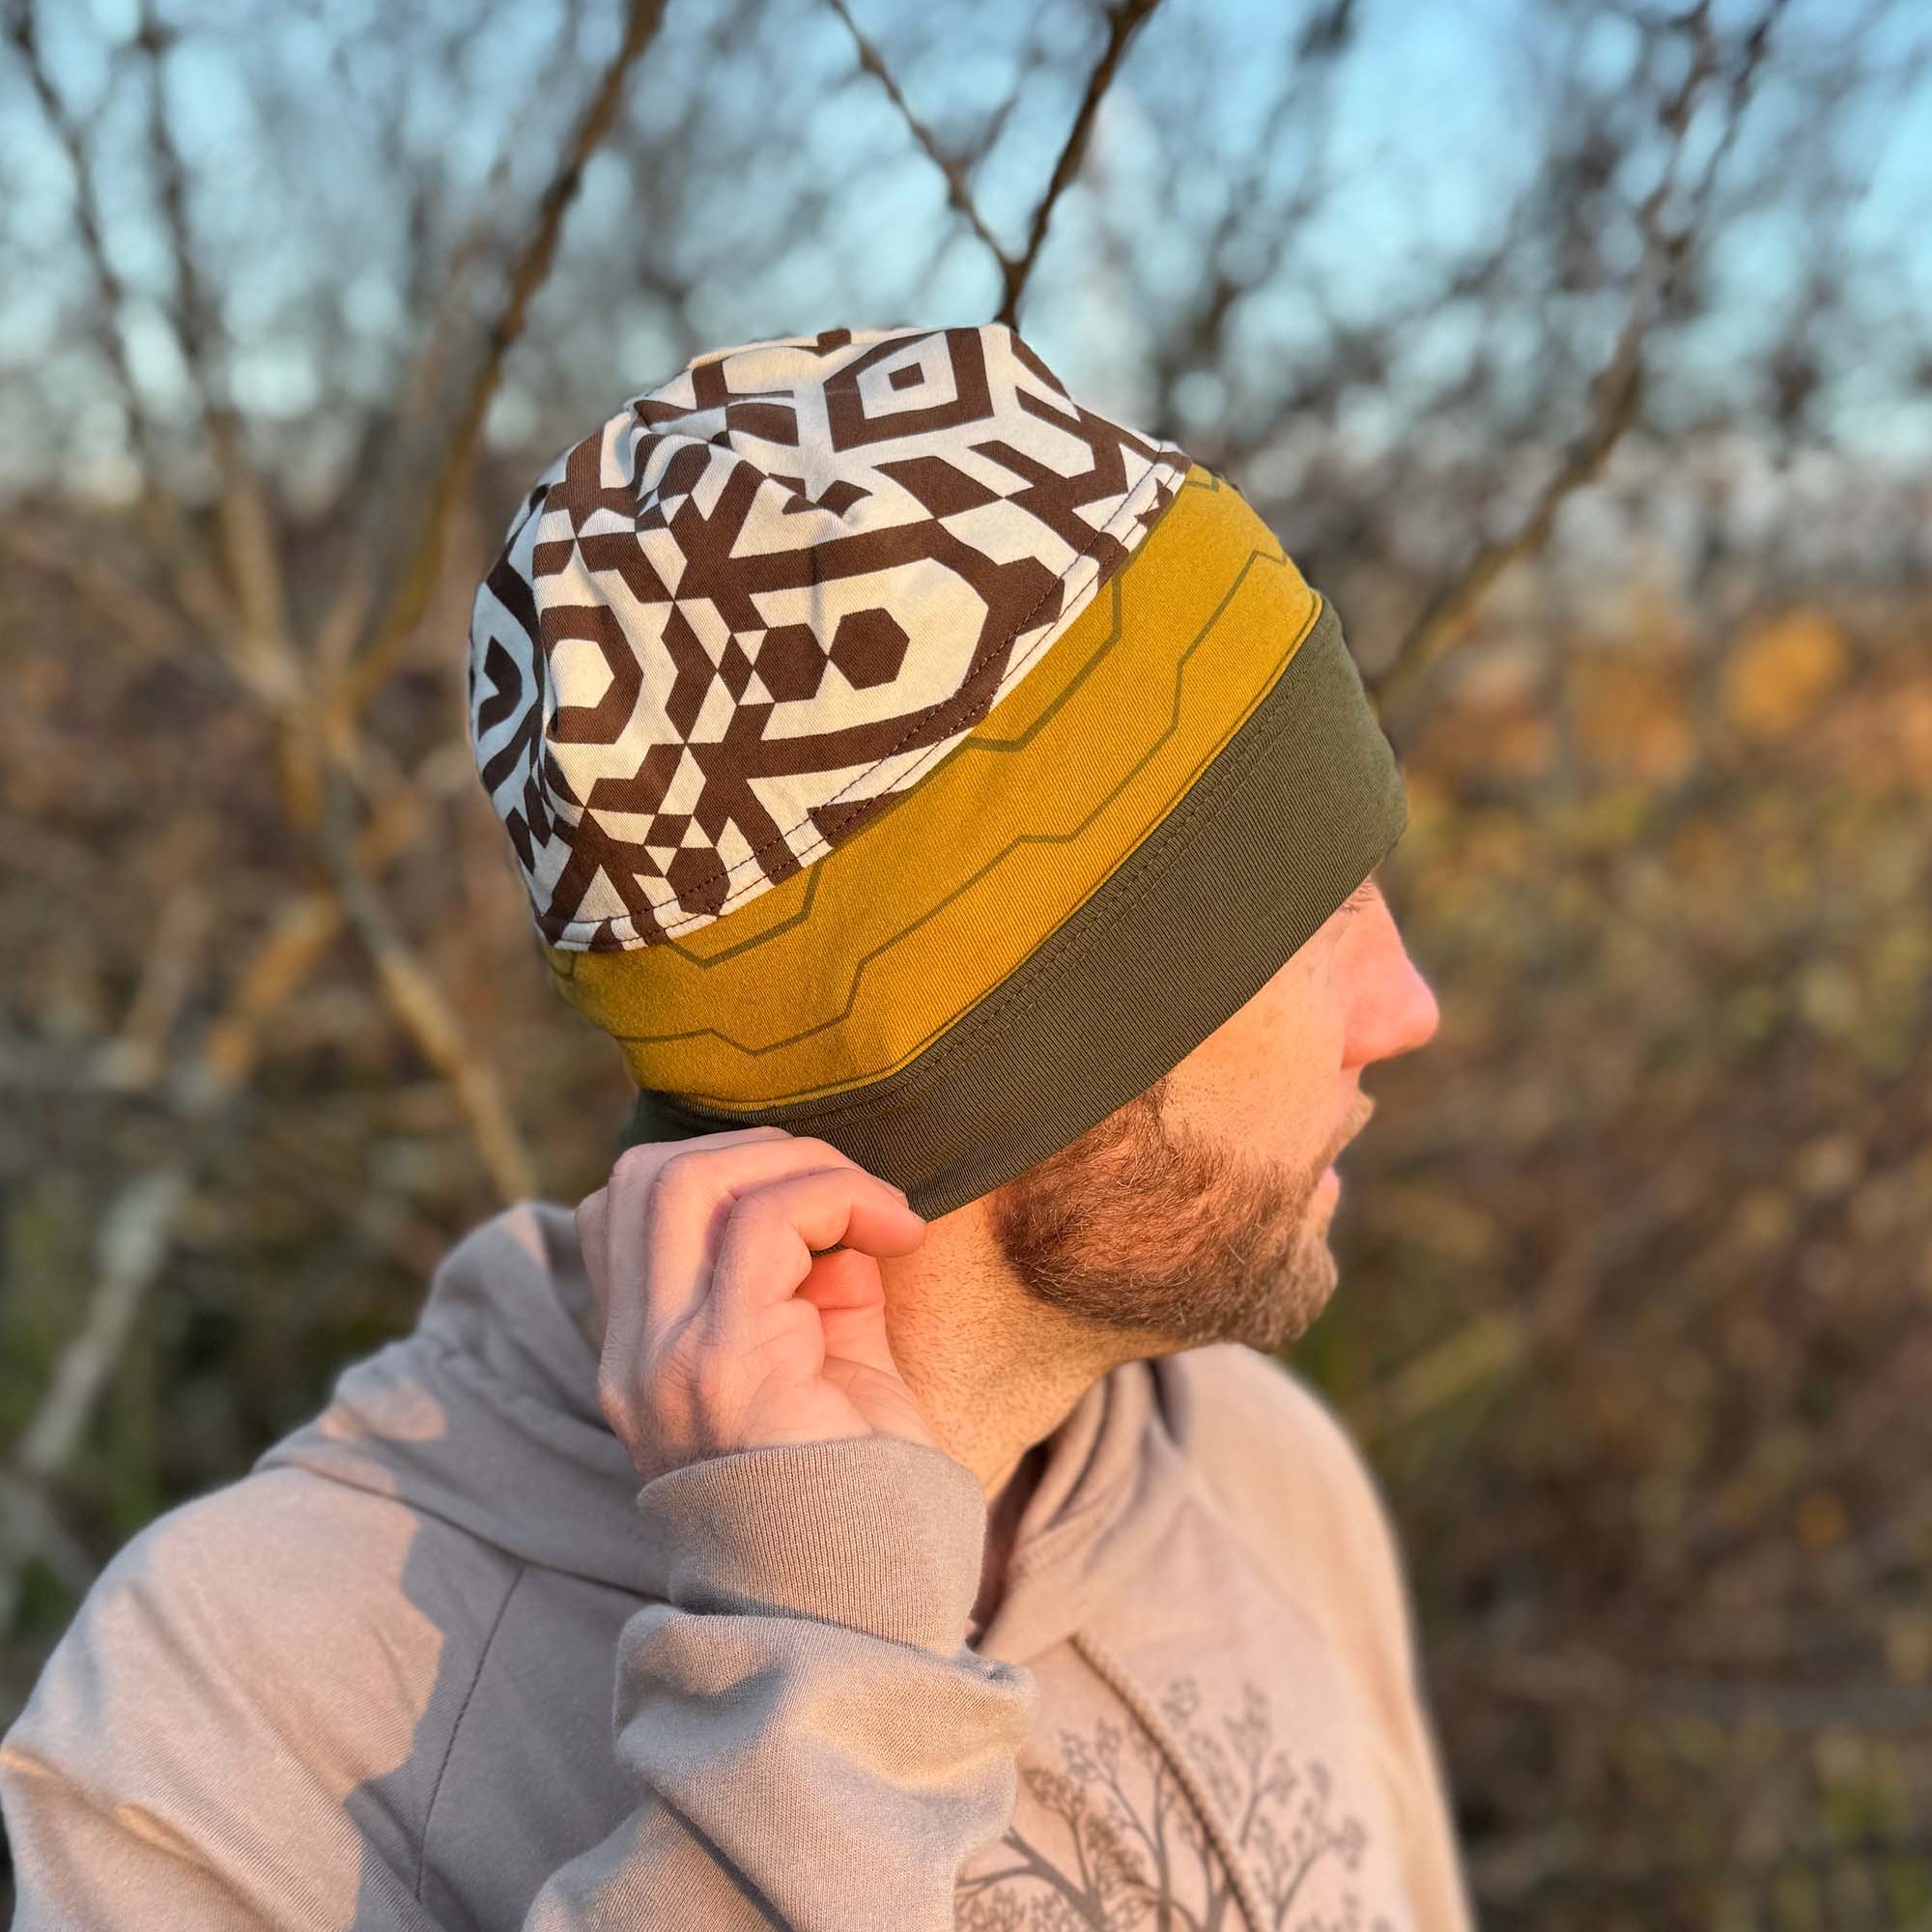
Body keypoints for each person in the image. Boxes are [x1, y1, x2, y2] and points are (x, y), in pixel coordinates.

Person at [1, 322, 1474, 1930]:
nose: (1409, 1006)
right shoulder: (230, 1718)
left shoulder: (1254, 1469)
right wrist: (812, 1692)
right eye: (1301, 914)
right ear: (1006, 1060)